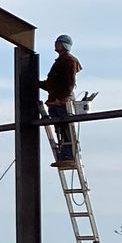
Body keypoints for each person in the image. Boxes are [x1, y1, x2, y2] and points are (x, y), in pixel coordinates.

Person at [42, 34, 82, 165]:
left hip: (61, 101)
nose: (55, 44)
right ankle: (64, 154)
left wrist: (61, 98)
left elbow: (69, 83)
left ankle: (68, 154)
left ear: (64, 44)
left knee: (65, 128)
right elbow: (52, 84)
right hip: (55, 100)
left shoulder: (69, 61)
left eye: (58, 42)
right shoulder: (61, 61)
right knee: (59, 128)